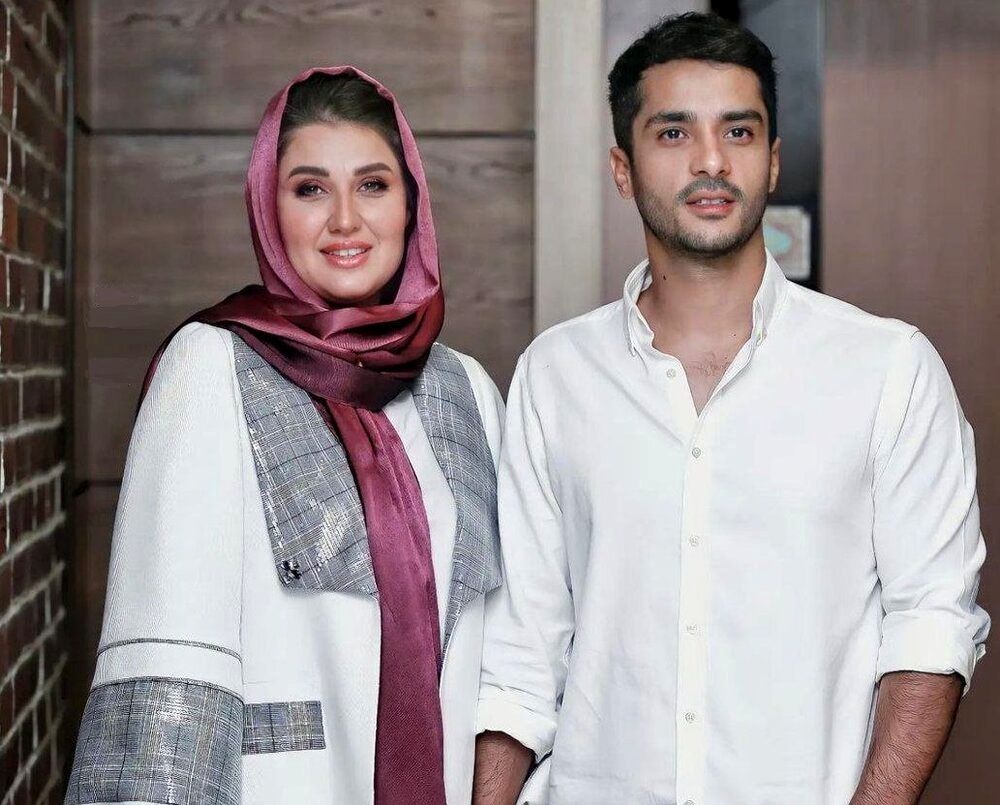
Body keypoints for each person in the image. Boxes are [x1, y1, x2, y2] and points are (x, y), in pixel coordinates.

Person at [472, 12, 989, 805]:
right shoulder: (556, 374)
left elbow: (932, 625)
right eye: (674, 133)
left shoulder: (888, 369)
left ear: (772, 160)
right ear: (621, 168)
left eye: (738, 132)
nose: (711, 161)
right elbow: (522, 654)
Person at [64, 66, 504, 805]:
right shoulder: (211, 367)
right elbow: (170, 663)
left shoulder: (468, 391)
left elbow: (504, 646)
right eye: (309, 189)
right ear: (269, 210)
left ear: (411, 203)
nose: (345, 221)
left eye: (372, 185)